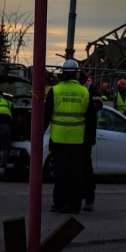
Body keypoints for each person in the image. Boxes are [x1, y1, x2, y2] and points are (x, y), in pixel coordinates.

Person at [44, 58, 90, 214]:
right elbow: (90, 119)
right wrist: (89, 140)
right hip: (77, 141)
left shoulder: (55, 91)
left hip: (59, 140)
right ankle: (75, 205)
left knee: (60, 175)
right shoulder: (84, 92)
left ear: (63, 73)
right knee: (76, 175)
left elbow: (46, 116)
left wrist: (37, 135)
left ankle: (60, 204)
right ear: (77, 74)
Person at [79, 71, 104, 211]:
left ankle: (87, 198)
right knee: (80, 167)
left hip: (84, 135)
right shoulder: (84, 87)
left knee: (84, 166)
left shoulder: (89, 87)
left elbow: (98, 104)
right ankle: (79, 197)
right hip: (76, 134)